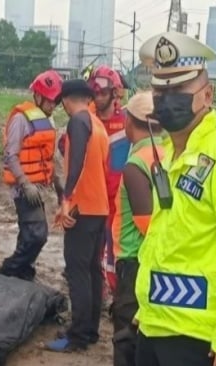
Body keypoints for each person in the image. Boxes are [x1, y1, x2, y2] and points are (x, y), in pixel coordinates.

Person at [133, 31, 216, 366]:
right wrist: (146, 307)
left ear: (207, 95)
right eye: (160, 90)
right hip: (154, 326)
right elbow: (166, 241)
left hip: (200, 338)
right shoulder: (167, 154)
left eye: (178, 89)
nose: (166, 99)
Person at [46, 79, 109, 352]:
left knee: (78, 271)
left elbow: (78, 161)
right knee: (93, 270)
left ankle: (78, 335)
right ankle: (90, 330)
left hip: (82, 208)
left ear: (67, 100)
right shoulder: (98, 123)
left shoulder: (79, 121)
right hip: (100, 208)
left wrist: (66, 199)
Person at [111, 91, 164, 366]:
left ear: (129, 121)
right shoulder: (170, 153)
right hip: (162, 262)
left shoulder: (136, 164)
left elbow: (147, 224)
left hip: (135, 261)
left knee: (126, 333)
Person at [0, 70, 64, 281]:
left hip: (40, 186)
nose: (53, 105)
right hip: (24, 187)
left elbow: (49, 157)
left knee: (29, 234)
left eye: (56, 101)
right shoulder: (21, 119)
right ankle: (10, 269)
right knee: (37, 234)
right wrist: (25, 183)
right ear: (38, 96)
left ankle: (23, 274)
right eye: (50, 100)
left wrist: (58, 186)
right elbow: (10, 155)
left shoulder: (48, 121)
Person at [86, 66, 130, 294]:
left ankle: (116, 293)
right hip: (92, 199)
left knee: (116, 251)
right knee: (89, 252)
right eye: (95, 93)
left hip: (118, 202)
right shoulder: (86, 120)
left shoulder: (127, 122)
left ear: (114, 94)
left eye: (103, 93)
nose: (98, 97)